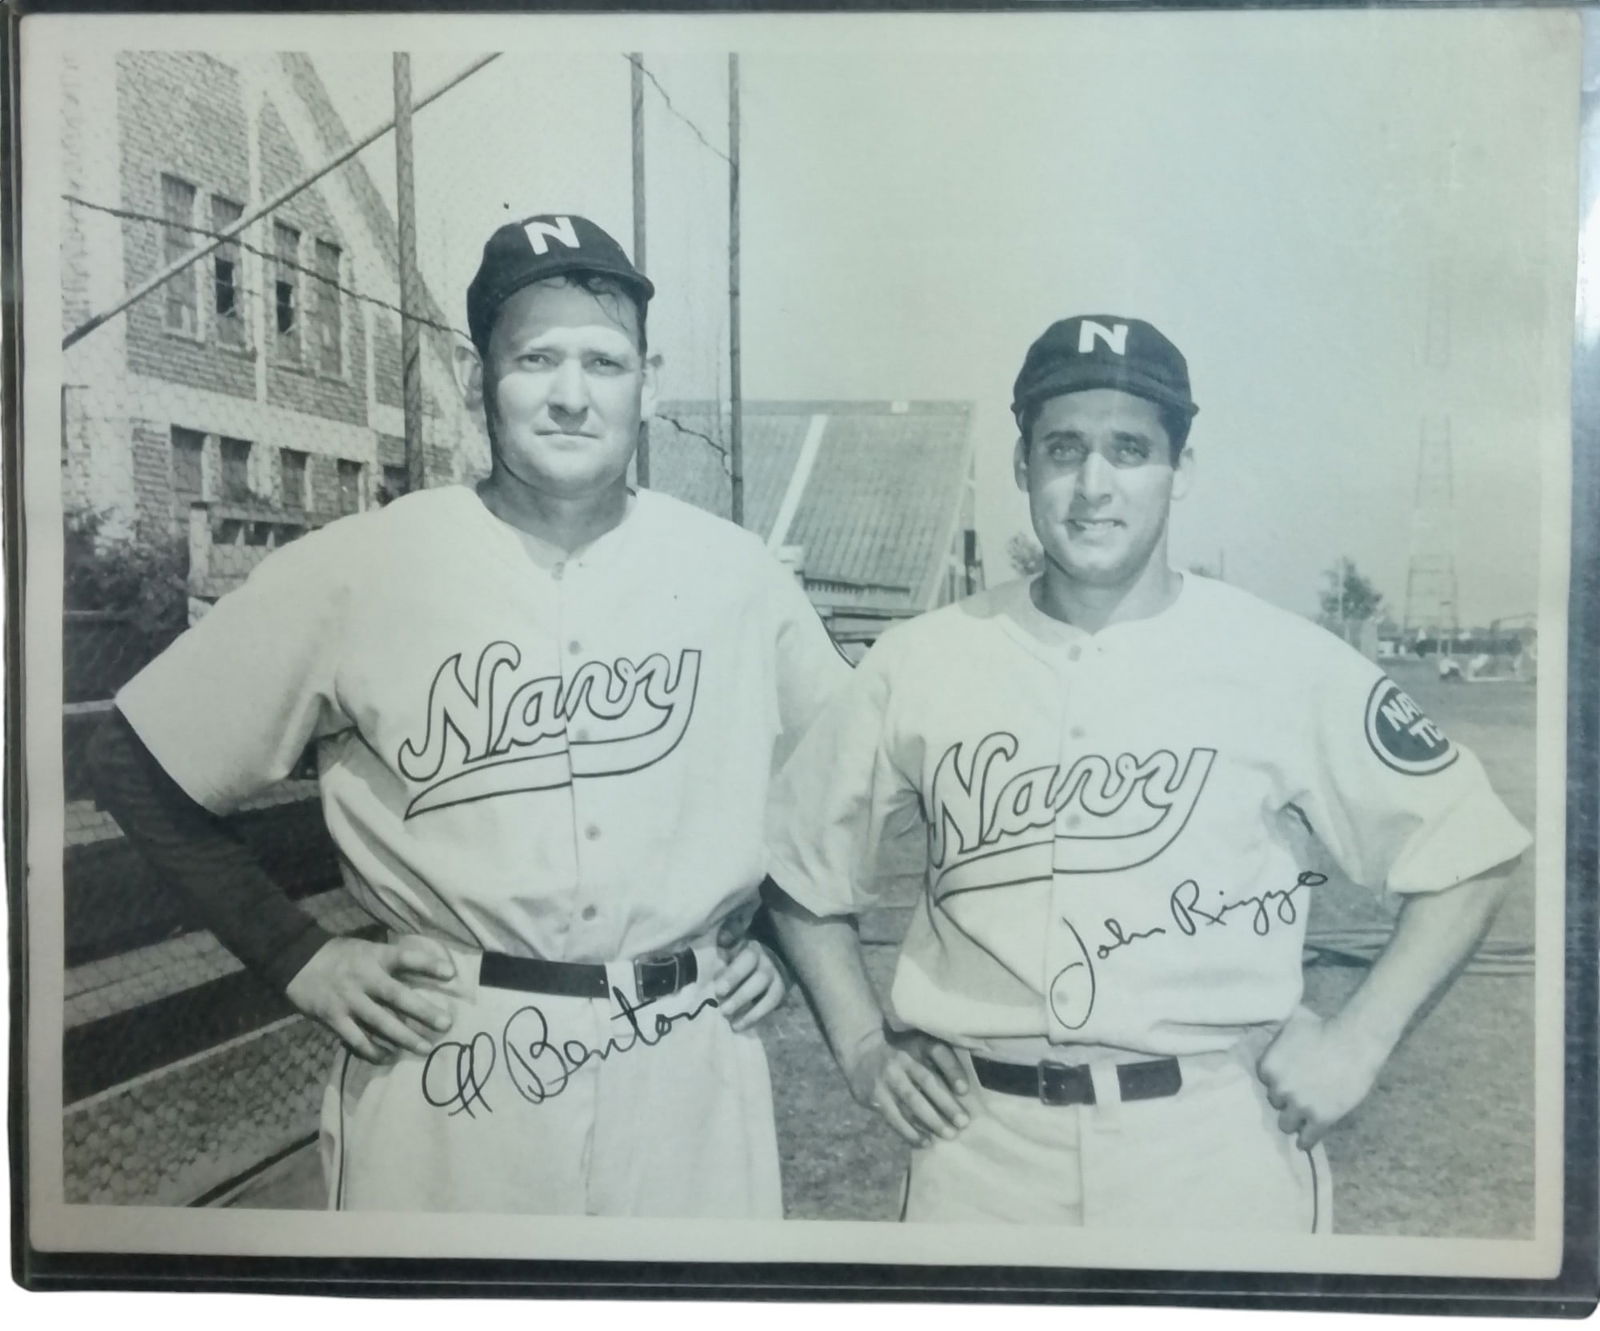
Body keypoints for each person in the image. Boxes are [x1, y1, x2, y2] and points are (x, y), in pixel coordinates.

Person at [91, 213, 850, 1216]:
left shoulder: (735, 575)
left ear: (650, 382)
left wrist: (777, 945)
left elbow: (838, 777)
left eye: (604, 361)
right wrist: (298, 955)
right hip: (450, 1056)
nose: (572, 394)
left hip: (687, 1052)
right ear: (472, 373)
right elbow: (131, 760)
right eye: (535, 358)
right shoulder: (365, 564)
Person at [763, 314, 1529, 1229]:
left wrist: (1360, 1040)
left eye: (1130, 449)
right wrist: (860, 1043)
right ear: (1023, 465)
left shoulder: (1279, 658)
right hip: (980, 1147)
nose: (1094, 485)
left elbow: (1469, 849)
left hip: (1213, 1137)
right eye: (1064, 448)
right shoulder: (921, 658)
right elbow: (797, 865)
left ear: (1181, 467)